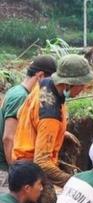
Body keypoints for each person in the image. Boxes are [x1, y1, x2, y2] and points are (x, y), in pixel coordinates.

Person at [11, 54, 93, 203]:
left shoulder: (45, 85)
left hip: (23, 157)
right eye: (81, 85)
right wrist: (73, 183)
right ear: (68, 84)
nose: (83, 89)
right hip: (31, 168)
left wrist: (60, 133)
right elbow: (41, 161)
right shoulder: (49, 114)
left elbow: (22, 113)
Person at [0, 56, 57, 192]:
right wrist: (17, 173)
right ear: (40, 76)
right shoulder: (21, 97)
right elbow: (9, 138)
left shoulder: (16, 91)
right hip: (6, 171)